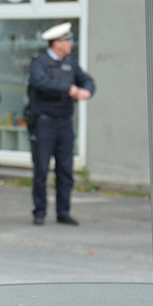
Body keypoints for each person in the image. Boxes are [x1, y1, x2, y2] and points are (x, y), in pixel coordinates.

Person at [27, 22, 94, 226]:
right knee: (41, 169)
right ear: (57, 43)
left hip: (64, 123)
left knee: (65, 169)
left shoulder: (71, 63)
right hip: (44, 123)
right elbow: (40, 82)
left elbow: (87, 80)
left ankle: (63, 211)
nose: (70, 44)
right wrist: (68, 89)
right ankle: (39, 211)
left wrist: (87, 90)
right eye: (67, 41)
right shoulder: (40, 62)